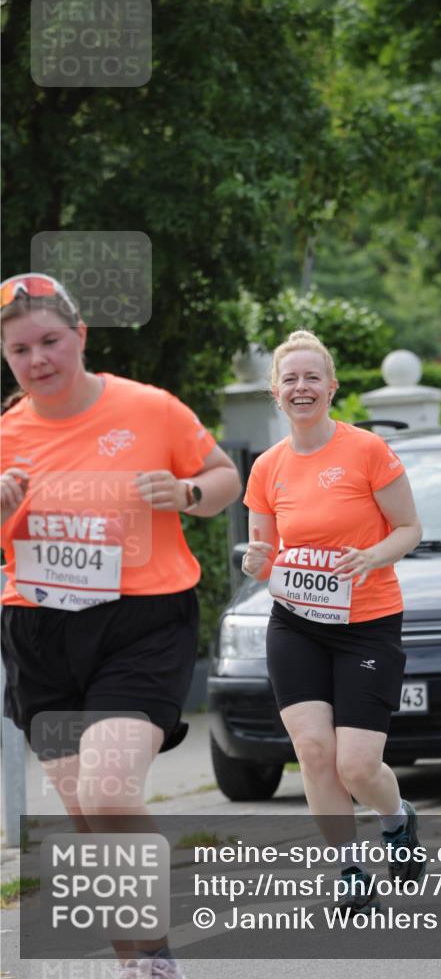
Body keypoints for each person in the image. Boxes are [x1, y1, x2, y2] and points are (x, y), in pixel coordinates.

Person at [0, 273, 242, 977]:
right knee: (86, 815)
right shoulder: (5, 435)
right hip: (39, 630)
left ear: (81, 336)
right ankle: (140, 962)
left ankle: (159, 957)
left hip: (142, 621)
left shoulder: (149, 408)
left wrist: (189, 492)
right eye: (20, 350)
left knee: (108, 791)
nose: (38, 359)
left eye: (50, 340)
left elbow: (223, 474)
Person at [242, 330, 423, 915]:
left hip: (368, 621)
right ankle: (348, 868)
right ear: (276, 392)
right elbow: (263, 551)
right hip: (295, 622)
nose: (302, 387)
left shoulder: (366, 450)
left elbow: (409, 529)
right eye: (290, 379)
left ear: (331, 386)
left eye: (311, 377)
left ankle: (397, 820)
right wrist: (253, 560)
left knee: (356, 764)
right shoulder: (267, 468)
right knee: (314, 752)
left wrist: (375, 555)